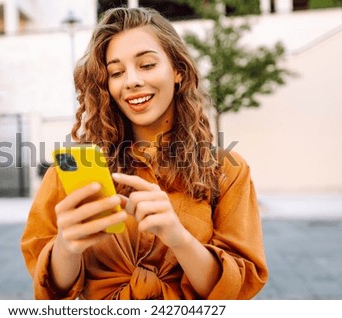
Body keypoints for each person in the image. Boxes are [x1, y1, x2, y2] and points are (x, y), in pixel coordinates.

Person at [21, 7, 268, 300]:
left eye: (147, 65)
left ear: (178, 71)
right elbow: (50, 290)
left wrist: (179, 238)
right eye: (116, 72)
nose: (131, 80)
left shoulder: (227, 169)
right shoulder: (75, 168)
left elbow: (236, 291)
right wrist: (66, 247)